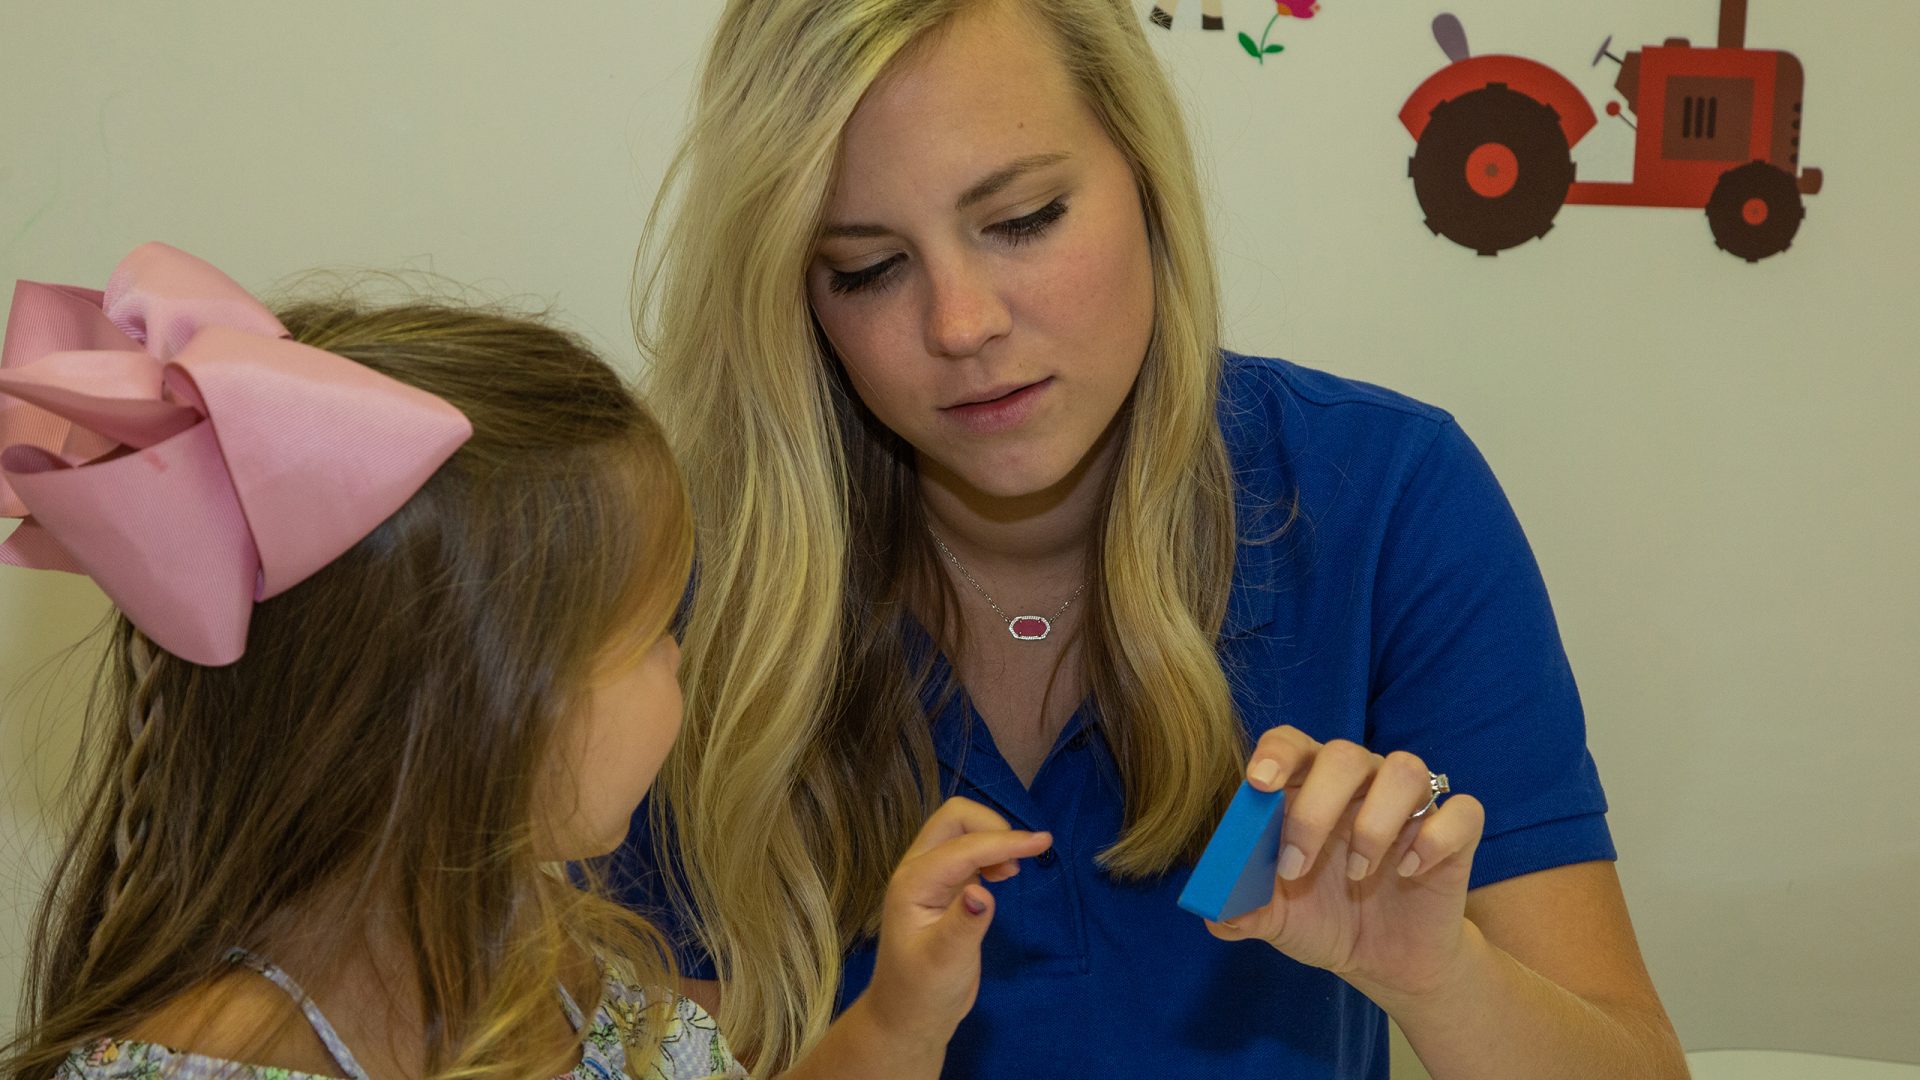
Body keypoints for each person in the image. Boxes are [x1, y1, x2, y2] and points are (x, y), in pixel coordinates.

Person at [619, 1, 1688, 1077]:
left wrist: (1439, 977)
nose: (961, 323)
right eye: (864, 268)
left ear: (1146, 180)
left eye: (1026, 217)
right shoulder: (676, 593)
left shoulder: (1386, 498)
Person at [0, 243, 1050, 1080]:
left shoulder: (569, 985)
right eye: (646, 638)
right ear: (483, 716)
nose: (680, 658)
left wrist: (903, 1020)